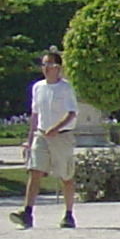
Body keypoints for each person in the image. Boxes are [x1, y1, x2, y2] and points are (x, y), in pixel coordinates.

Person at [14, 50, 79, 229]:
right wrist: (29, 140)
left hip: (62, 136)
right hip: (41, 135)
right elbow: (35, 115)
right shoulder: (38, 87)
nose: (45, 68)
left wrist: (56, 128)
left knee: (65, 176)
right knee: (35, 171)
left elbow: (72, 113)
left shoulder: (65, 88)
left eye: (49, 64)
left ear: (58, 67)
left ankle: (68, 214)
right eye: (43, 64)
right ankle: (27, 212)